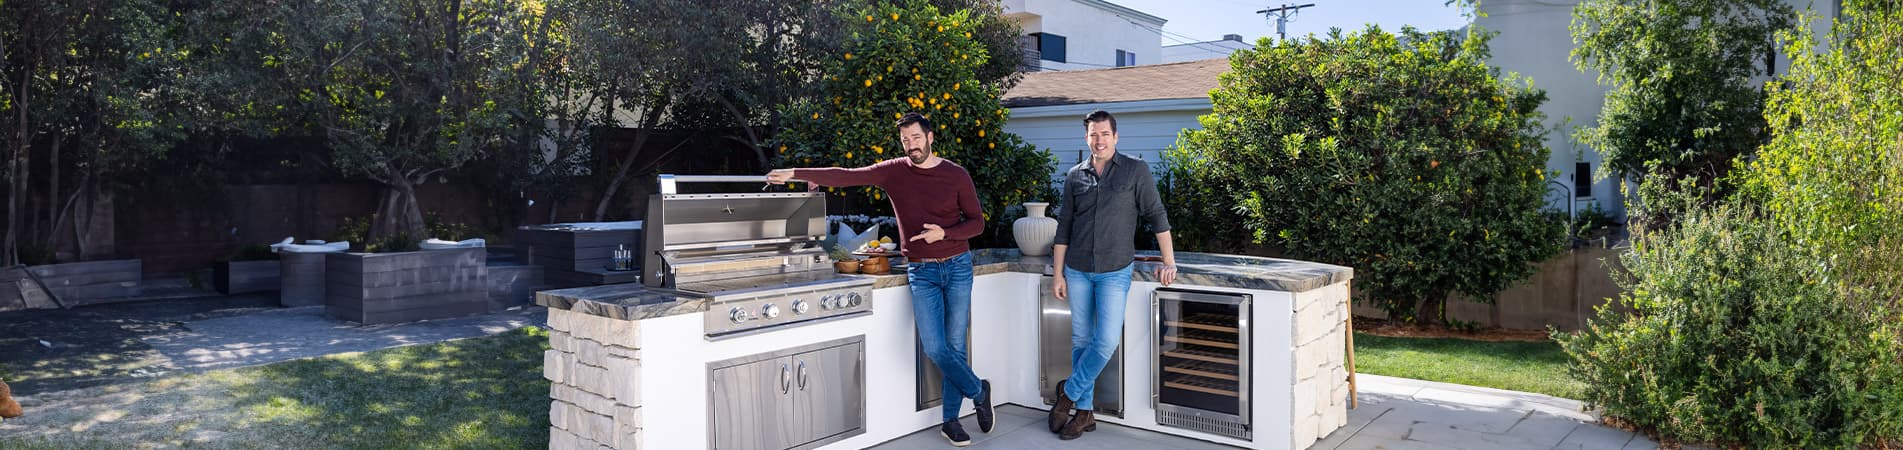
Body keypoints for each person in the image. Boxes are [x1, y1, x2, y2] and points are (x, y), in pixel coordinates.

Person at [767, 112, 994, 447]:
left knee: (956, 348)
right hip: (922, 271)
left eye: (916, 138)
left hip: (959, 266)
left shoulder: (956, 175)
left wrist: (944, 232)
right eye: (905, 140)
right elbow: (846, 176)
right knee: (936, 348)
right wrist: (795, 173)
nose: (911, 146)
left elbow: (977, 223)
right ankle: (978, 390)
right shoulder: (894, 171)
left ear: (930, 138)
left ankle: (950, 421)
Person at [1048, 110, 1178, 440]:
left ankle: (1069, 392)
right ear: (1086, 138)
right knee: (1080, 341)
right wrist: (1058, 274)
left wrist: (1169, 261)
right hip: (1077, 269)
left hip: (1114, 271)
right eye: (1093, 134)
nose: (1099, 140)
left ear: (1116, 137)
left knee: (1105, 340)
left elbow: (1157, 215)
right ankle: (1084, 414)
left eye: (1104, 134)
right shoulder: (1075, 175)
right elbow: (1064, 226)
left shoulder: (1136, 170)